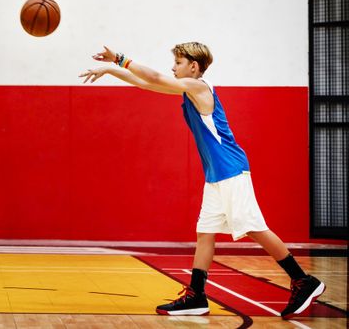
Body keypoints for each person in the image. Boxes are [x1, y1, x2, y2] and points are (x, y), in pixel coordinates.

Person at [80, 42, 324, 320]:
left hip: (231, 170)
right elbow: (146, 83)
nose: (173, 68)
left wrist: (120, 59)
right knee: (205, 231)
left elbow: (156, 78)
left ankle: (304, 281)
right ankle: (196, 296)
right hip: (217, 176)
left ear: (193, 67)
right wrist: (110, 71)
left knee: (254, 227)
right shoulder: (187, 90)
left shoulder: (200, 88)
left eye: (178, 63)